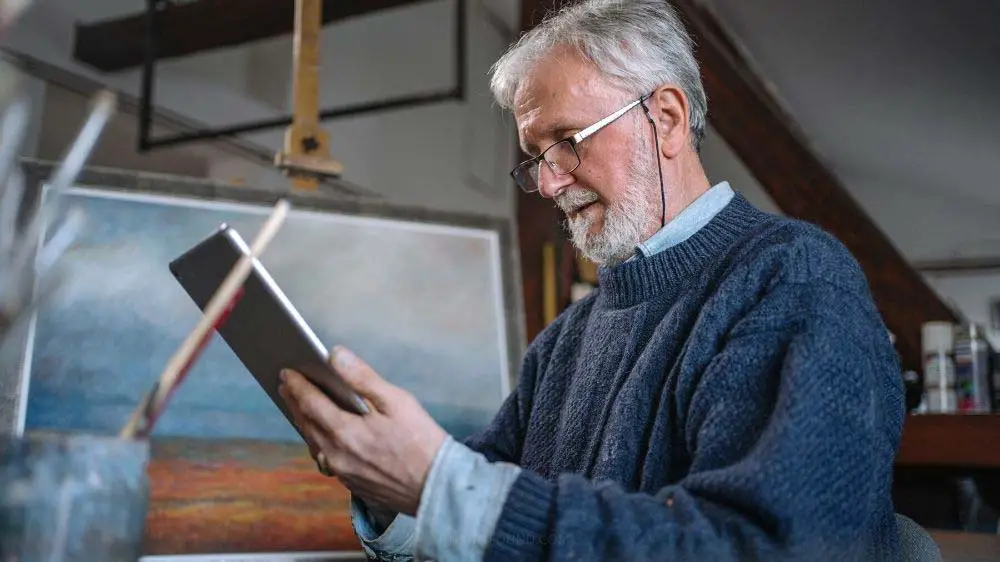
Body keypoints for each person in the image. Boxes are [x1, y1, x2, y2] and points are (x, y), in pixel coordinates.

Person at [276, 0, 905, 560]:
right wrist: (389, 486)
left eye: (568, 141)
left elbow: (762, 545)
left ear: (666, 117)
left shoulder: (794, 278)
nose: (549, 184)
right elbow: (477, 517)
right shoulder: (565, 339)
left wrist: (439, 485)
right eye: (536, 158)